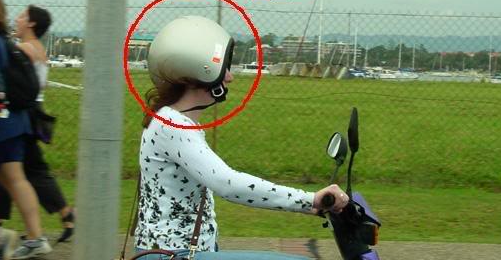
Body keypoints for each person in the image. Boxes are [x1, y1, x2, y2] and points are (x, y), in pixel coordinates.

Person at [134, 16, 349, 259]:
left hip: (182, 251)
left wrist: (311, 206)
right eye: (223, 69)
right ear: (197, 71)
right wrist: (308, 200)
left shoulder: (172, 120)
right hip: (172, 253)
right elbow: (227, 184)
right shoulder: (172, 126)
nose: (230, 77)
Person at [0, 5, 75, 244]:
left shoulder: (24, 49)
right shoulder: (38, 49)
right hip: (30, 112)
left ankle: (63, 215)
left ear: (31, 23)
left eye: (22, 16)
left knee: (23, 169)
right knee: (12, 168)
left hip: (22, 114)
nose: (17, 19)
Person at [0, 0, 52, 259]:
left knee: (13, 179)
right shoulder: (5, 41)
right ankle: (36, 238)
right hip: (16, 122)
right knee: (14, 179)